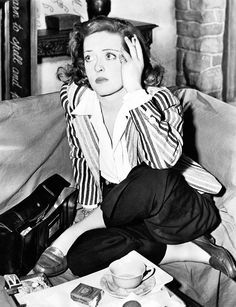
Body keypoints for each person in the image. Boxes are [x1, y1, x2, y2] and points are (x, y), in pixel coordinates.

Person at [34, 16, 236, 280]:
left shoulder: (161, 100)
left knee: (149, 174)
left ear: (132, 59)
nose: (97, 67)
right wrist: (87, 204)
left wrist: (134, 92)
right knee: (82, 256)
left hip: (177, 209)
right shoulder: (75, 98)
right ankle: (195, 252)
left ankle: (71, 235)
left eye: (109, 56)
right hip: (124, 210)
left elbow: (163, 163)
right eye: (89, 57)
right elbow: (81, 155)